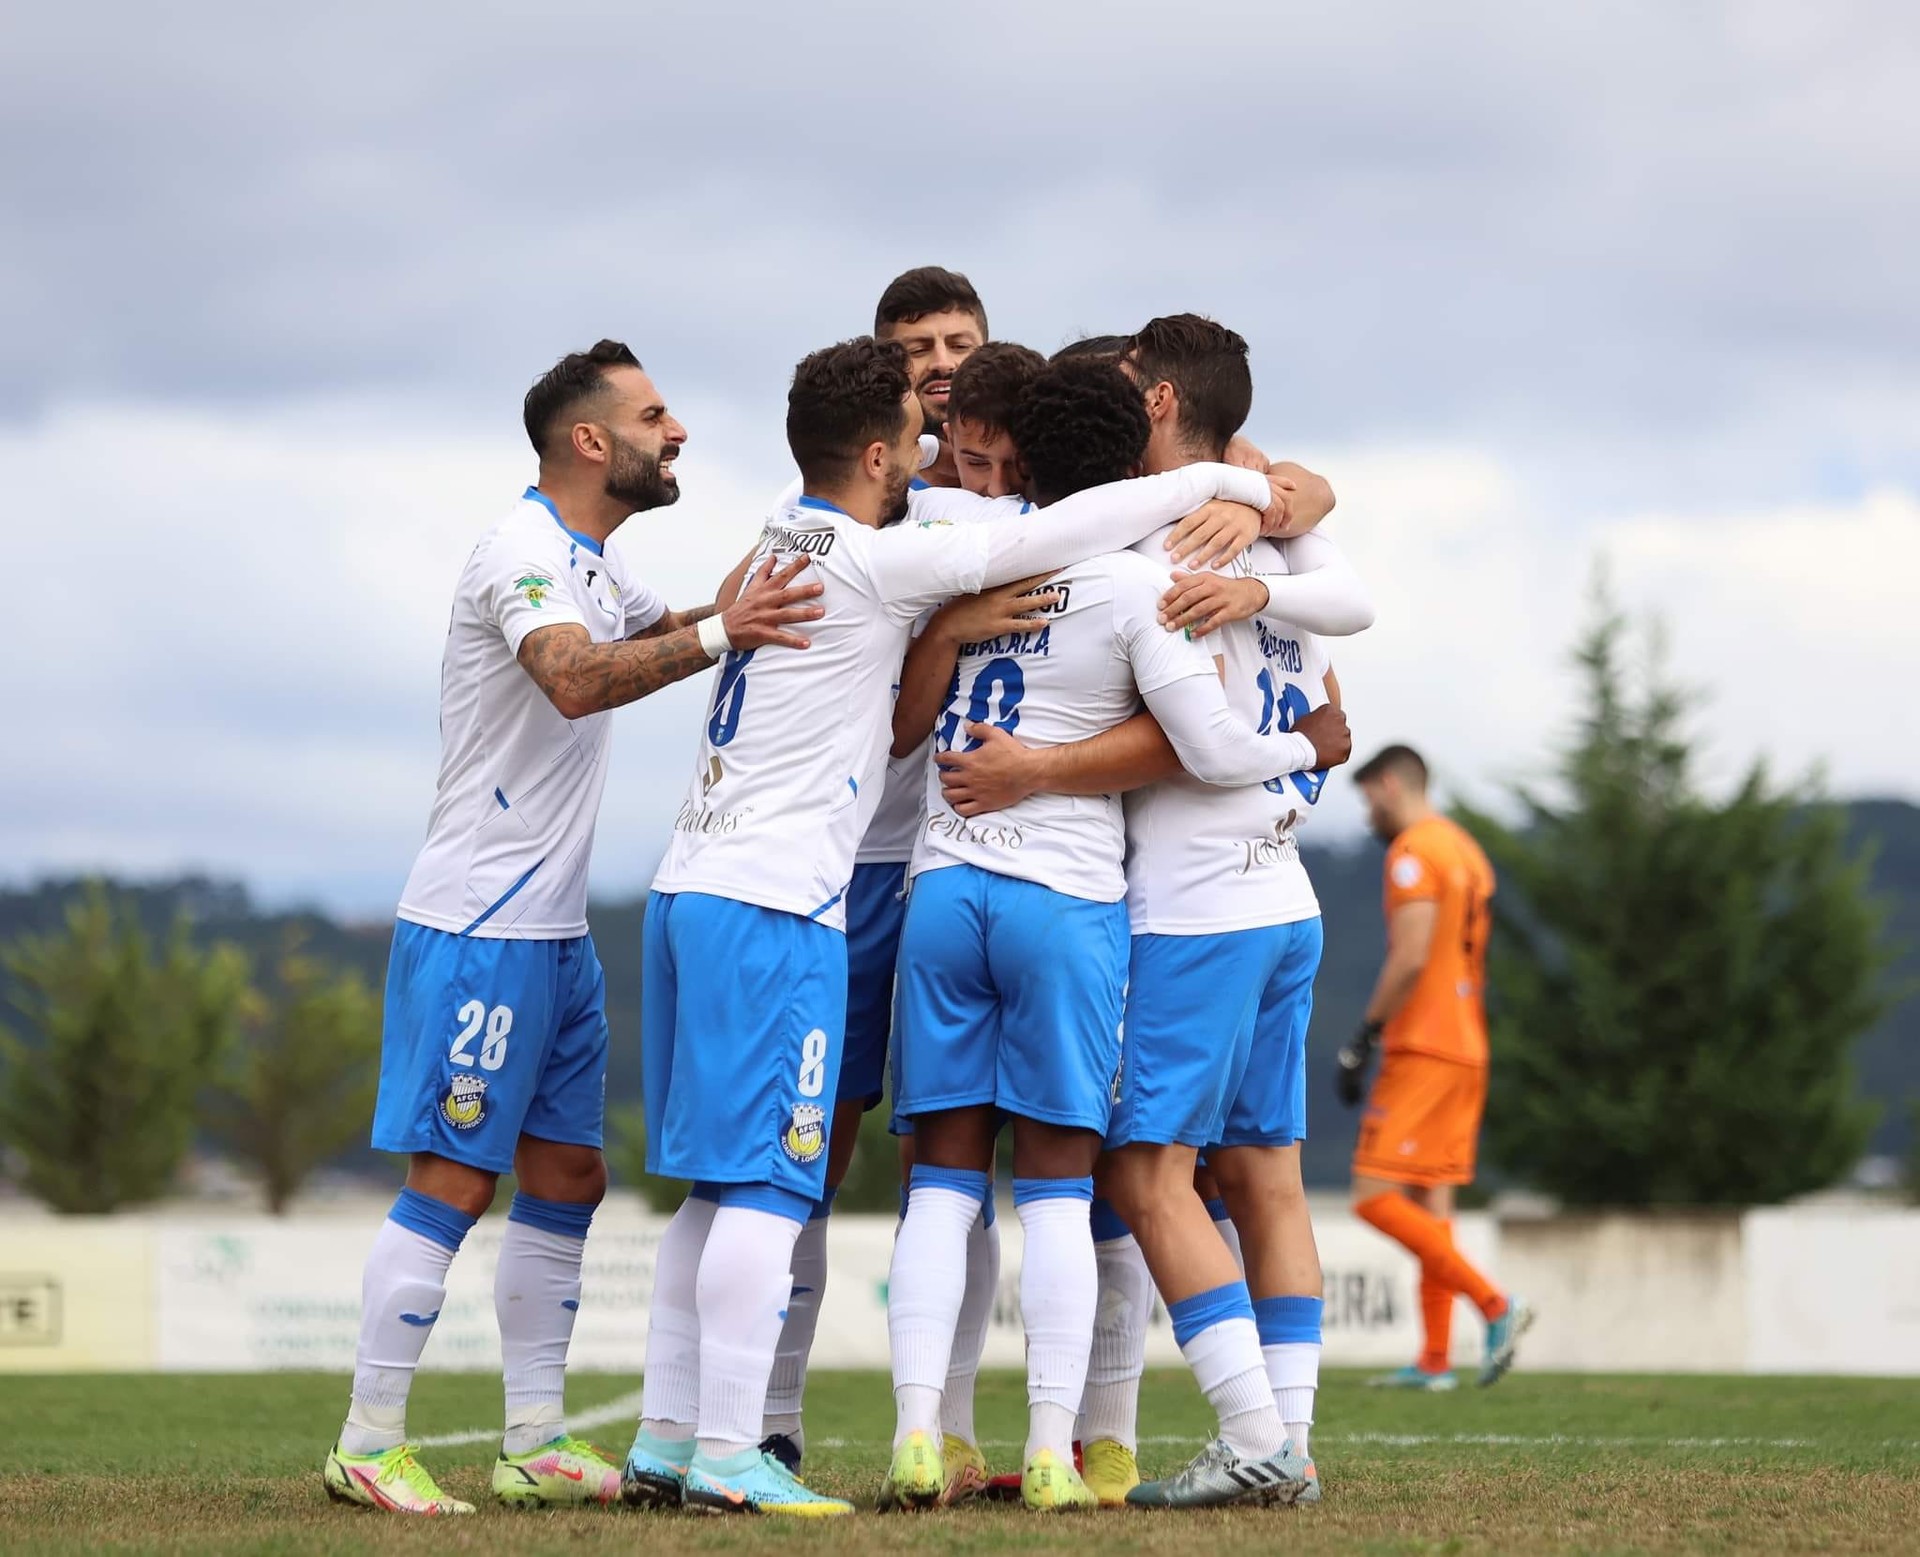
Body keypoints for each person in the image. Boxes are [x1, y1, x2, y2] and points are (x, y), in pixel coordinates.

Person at [623, 335, 1276, 1518]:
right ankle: (749, 1446)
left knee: (756, 1189)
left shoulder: (782, 537)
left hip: (723, 883)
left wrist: (954, 634)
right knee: (802, 1184)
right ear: (877, 453)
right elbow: (1165, 690)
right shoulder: (899, 558)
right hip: (812, 903)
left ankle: (682, 1438)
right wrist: (1231, 486)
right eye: (920, 446)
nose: (934, 463)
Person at [322, 341, 824, 1517]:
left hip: (552, 935)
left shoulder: (596, 564)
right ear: (589, 441)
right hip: (479, 924)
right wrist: (723, 635)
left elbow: (702, 621)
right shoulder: (524, 557)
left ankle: (535, 1440)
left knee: (570, 1174)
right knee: (452, 1178)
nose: (678, 431)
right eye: (656, 415)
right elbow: (578, 679)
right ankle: (366, 1440)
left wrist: (808, 554)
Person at [880, 353, 1349, 1514]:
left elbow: (1194, 742)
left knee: (1065, 1180)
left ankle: (937, 1434)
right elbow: (1300, 647)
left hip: (1072, 896)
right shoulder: (1234, 538)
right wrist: (1310, 721)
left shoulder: (1004, 548)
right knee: (1221, 1182)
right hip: (1250, 893)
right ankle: (1236, 1438)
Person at [1339, 744, 1533, 1388]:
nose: (1369, 812)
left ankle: (1495, 1305)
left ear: (1390, 785)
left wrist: (1364, 1034)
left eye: (1368, 797)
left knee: (1372, 1197)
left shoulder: (1415, 852)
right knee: (1430, 1200)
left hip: (1423, 1044)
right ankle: (1435, 1360)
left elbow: (1415, 954)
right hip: (1467, 1043)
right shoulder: (1467, 851)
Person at [873, 265, 989, 487]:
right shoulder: (858, 502)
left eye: (960, 346)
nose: (943, 364)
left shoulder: (1035, 484)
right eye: (918, 350)